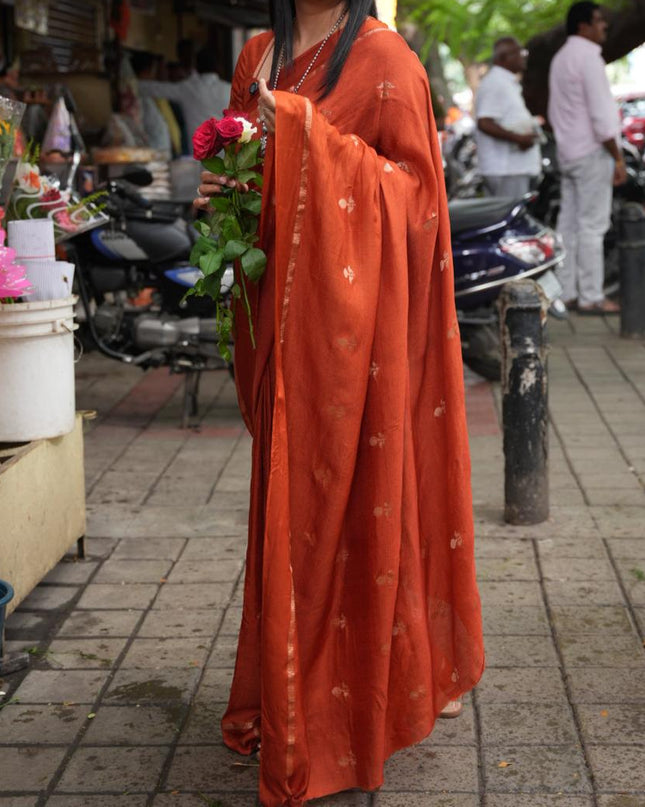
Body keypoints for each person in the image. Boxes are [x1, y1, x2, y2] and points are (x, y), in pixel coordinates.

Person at [196, 1, 485, 804]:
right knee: (293, 503)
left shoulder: (388, 63)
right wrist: (224, 187)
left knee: (353, 502)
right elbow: (246, 176)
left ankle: (354, 700)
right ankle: (292, 687)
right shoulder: (259, 52)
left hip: (358, 336)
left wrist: (302, 136)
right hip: (285, 314)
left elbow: (418, 203)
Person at [548, 1, 625, 314]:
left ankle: (566, 292)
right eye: (598, 20)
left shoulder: (561, 58)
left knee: (569, 226)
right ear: (583, 25)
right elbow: (601, 117)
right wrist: (617, 158)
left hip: (568, 153)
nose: (604, 26)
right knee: (592, 227)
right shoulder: (589, 57)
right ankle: (591, 296)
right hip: (592, 152)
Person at [475, 37, 541, 197]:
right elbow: (484, 122)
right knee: (510, 212)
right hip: (506, 170)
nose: (524, 57)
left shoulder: (505, 82)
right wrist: (518, 138)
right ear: (504, 57)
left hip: (513, 169)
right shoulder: (495, 83)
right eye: (520, 52)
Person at [138, 46, 230, 142]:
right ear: (219, 66)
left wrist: (131, 82)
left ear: (196, 66)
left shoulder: (187, 89)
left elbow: (154, 89)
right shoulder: (229, 90)